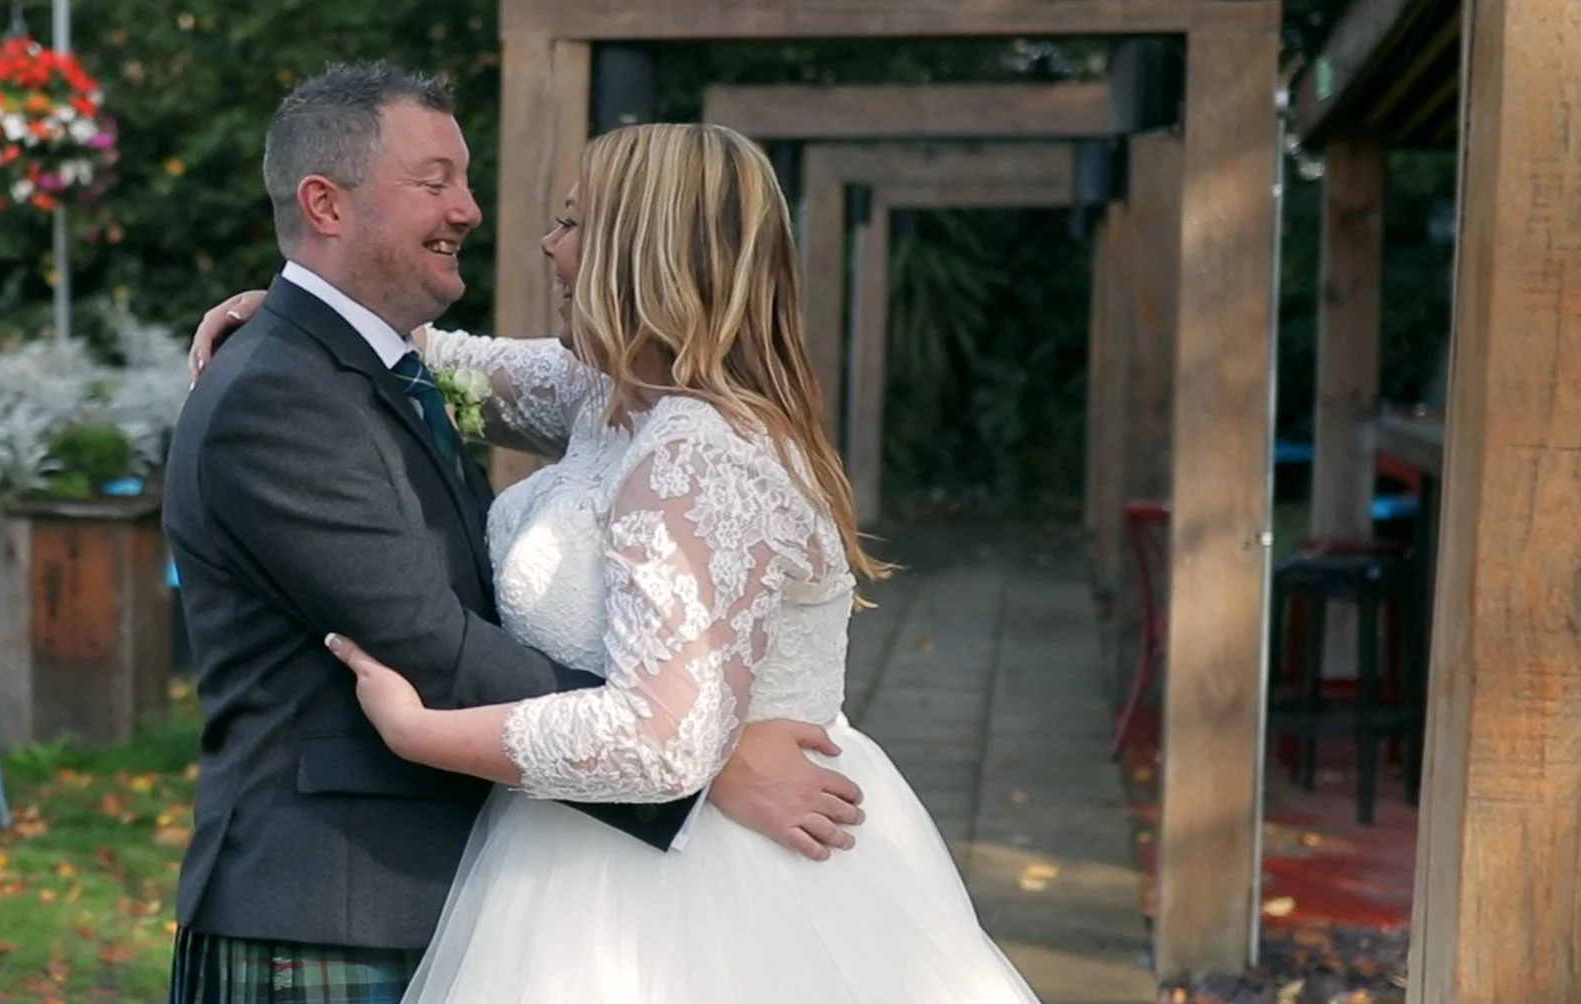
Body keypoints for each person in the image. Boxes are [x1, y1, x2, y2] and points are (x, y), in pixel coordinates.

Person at [190, 120, 1043, 1002]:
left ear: (641, 253)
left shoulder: (697, 454)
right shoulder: (609, 396)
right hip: (595, 851)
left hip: (716, 884)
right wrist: (298, 311)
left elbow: (664, 740)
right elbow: (449, 368)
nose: (548, 249)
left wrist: (420, 733)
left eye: (571, 225)